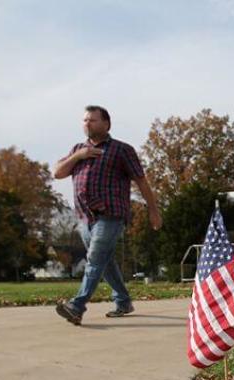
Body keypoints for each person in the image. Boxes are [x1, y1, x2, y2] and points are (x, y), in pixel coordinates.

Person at [52, 105, 162, 325]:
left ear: (106, 124)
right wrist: (79, 156)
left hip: (111, 215)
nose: (87, 124)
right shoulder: (78, 149)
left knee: (94, 259)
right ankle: (123, 301)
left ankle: (77, 306)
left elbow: (141, 180)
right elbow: (57, 172)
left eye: (92, 120)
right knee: (105, 261)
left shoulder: (122, 150)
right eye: (85, 120)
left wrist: (153, 210)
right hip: (85, 218)